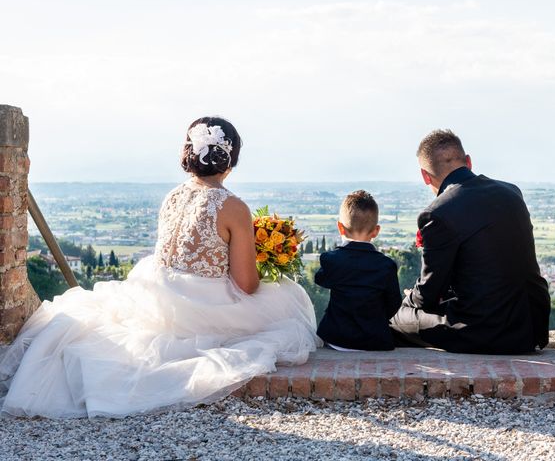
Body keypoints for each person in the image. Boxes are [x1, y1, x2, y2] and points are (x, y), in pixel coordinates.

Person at [0, 116, 320, 418]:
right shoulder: (232, 206)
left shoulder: (173, 196)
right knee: (285, 298)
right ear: (231, 158)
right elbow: (245, 285)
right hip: (198, 304)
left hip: (158, 290)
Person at [390, 129, 550, 354]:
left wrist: (409, 299)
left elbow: (427, 295)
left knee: (399, 319)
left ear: (425, 176)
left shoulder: (438, 213)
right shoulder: (512, 192)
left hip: (485, 331)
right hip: (532, 326)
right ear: (468, 162)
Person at [315, 190, 402, 351]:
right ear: (376, 231)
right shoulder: (386, 265)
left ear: (340, 228)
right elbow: (394, 304)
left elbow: (320, 279)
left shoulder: (332, 260)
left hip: (336, 338)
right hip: (375, 340)